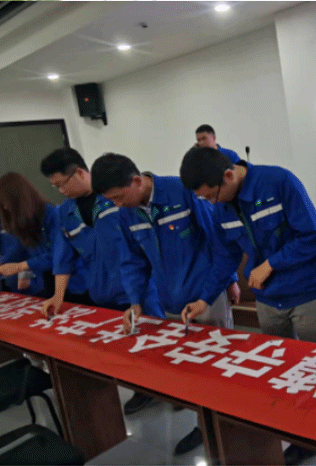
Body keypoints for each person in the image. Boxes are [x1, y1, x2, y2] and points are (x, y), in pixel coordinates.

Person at [180, 146, 316, 465]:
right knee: (285, 372)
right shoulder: (222, 209)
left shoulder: (278, 182)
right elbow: (225, 258)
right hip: (268, 301)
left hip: (305, 294)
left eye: (210, 196)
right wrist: (204, 299)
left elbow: (313, 236)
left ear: (228, 175)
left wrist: (270, 264)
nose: (210, 203)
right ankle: (302, 439)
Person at [91, 152, 239, 455]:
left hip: (206, 295)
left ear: (136, 181)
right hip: (171, 302)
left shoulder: (181, 192)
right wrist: (135, 301)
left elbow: (218, 240)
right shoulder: (127, 214)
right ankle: (203, 425)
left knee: (220, 367)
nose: (117, 205)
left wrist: (229, 280)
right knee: (191, 368)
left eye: (118, 197)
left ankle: (230, 427)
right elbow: (133, 260)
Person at [39, 148, 162, 316]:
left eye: (62, 184)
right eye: (56, 186)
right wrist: (58, 295)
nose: (61, 190)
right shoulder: (65, 212)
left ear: (80, 173)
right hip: (102, 297)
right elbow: (63, 258)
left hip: (142, 294)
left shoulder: (118, 199)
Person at [0, 172, 88, 301]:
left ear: (18, 198)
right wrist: (1, 264)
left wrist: (21, 266)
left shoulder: (52, 215)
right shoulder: (23, 220)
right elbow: (21, 247)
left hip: (74, 281)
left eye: (6, 203)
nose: (5, 207)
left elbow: (58, 256)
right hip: (47, 278)